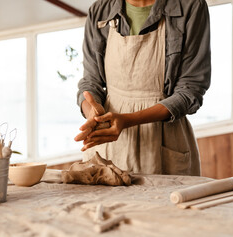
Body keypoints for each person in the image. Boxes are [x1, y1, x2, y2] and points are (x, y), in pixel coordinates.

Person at [74, 0, 211, 176]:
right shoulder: (100, 10)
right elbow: (90, 82)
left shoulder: (189, 6)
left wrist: (128, 120)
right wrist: (93, 114)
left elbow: (190, 90)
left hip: (164, 139)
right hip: (107, 141)